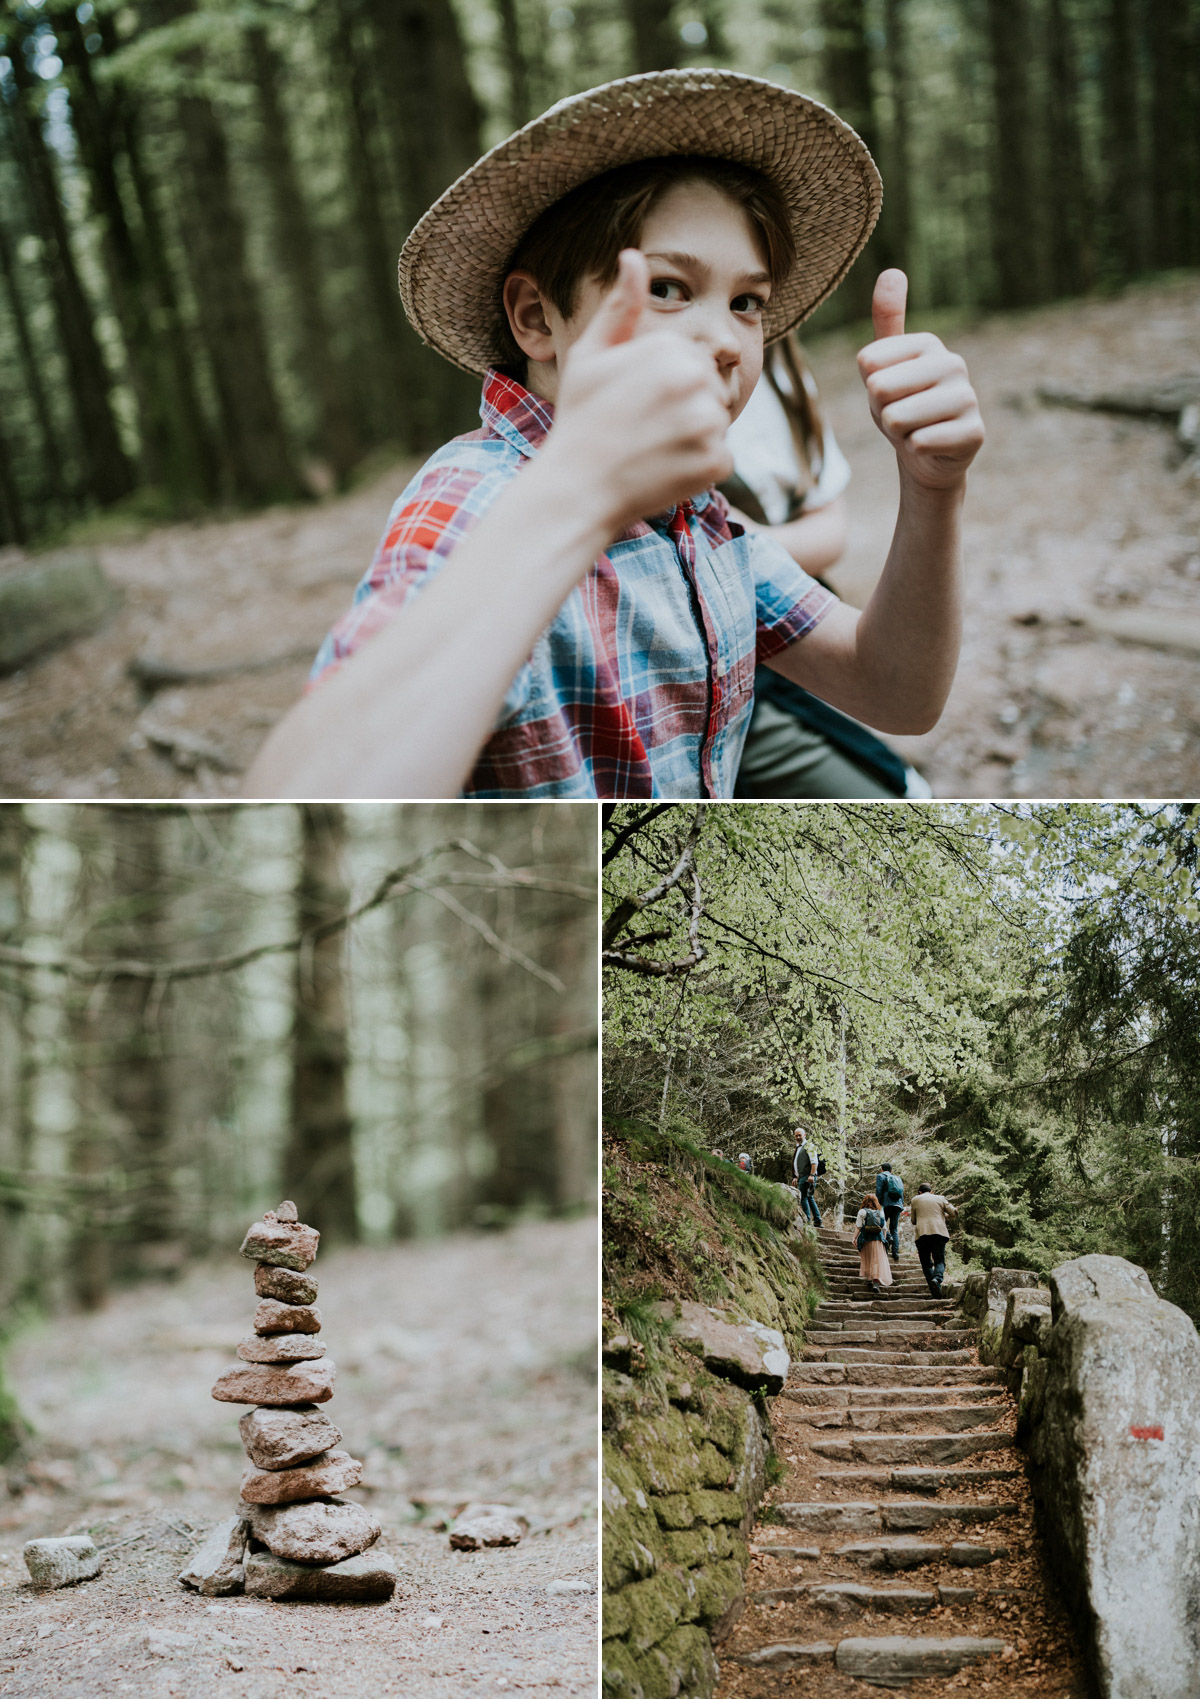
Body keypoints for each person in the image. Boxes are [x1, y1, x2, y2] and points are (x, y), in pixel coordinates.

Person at [242, 68, 984, 799]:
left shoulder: (701, 522)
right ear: (537, 318)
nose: (725, 339)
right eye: (667, 287)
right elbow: (305, 797)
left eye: (747, 301)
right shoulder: (475, 501)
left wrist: (932, 487)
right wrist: (581, 492)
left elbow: (896, 691)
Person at [723, 333, 931, 799]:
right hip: (743, 680)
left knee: (902, 785)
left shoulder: (783, 368)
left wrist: (743, 542)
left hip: (787, 609)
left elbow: (830, 526)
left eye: (747, 300)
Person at [911, 1182, 957, 1297]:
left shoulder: (915, 1200)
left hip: (922, 1234)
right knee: (939, 1260)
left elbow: (913, 1220)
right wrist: (943, 1216)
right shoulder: (940, 1198)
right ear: (931, 1191)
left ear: (919, 1192)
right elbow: (954, 1212)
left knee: (926, 1264)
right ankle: (937, 1279)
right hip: (938, 1232)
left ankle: (934, 1291)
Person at [854, 1192, 891, 1294]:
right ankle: (875, 1282)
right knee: (876, 1260)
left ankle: (870, 1279)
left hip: (866, 1239)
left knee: (867, 1258)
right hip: (878, 1239)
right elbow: (884, 1228)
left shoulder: (862, 1212)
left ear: (865, 1201)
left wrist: (854, 1238)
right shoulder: (881, 1212)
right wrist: (884, 1240)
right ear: (876, 1202)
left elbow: (859, 1226)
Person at [874, 1161, 904, 1261]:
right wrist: (901, 1205)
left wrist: (877, 1203)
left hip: (886, 1204)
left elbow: (879, 1190)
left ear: (882, 1169)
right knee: (894, 1228)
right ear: (891, 1170)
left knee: (882, 1225)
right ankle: (895, 1252)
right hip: (898, 1205)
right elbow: (901, 1193)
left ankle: (885, 1248)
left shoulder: (880, 1176)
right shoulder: (897, 1178)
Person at [792, 1128, 822, 1228]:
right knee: (809, 1197)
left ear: (805, 1135)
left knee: (803, 1197)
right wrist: (796, 1176)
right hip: (801, 1176)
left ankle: (807, 1221)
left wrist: (812, 1175)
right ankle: (817, 1220)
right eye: (796, 1136)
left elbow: (814, 1162)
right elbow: (797, 1163)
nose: (798, 1137)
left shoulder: (809, 1146)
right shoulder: (798, 1147)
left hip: (807, 1176)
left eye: (800, 1135)